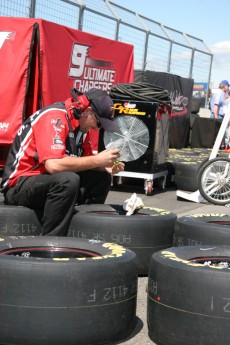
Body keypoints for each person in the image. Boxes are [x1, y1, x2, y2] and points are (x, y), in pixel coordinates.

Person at [0, 88, 124, 236]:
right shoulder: (54, 116)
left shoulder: (82, 127)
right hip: (18, 184)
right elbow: (53, 165)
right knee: (67, 180)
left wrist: (103, 166)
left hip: (47, 182)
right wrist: (97, 160)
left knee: (101, 178)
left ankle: (84, 231)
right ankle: (50, 243)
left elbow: (85, 161)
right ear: (88, 111)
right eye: (99, 123)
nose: (97, 129)